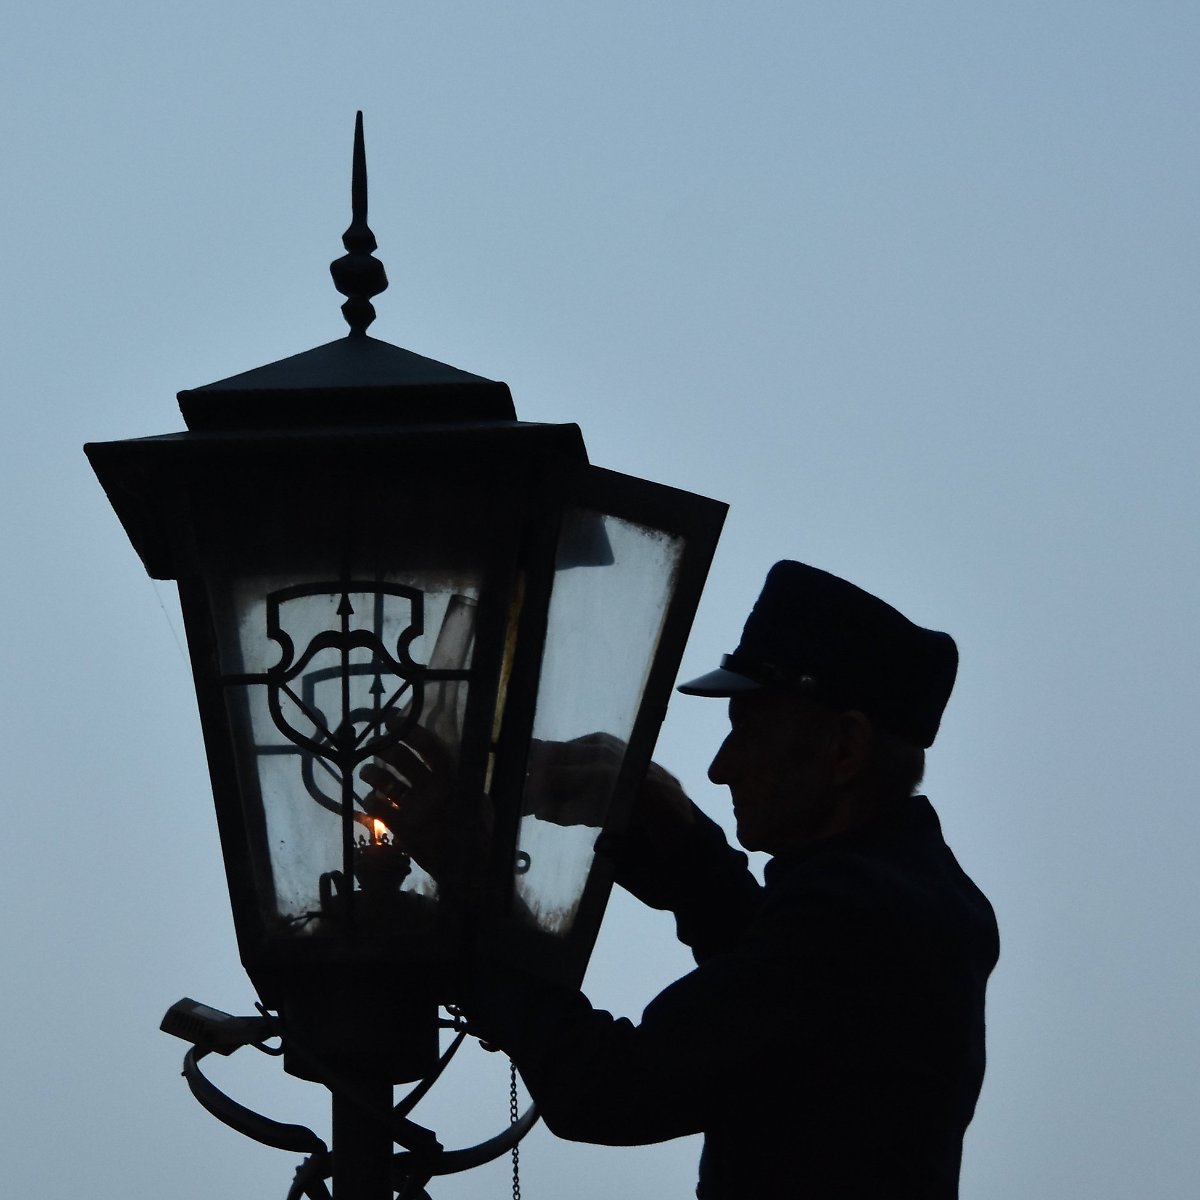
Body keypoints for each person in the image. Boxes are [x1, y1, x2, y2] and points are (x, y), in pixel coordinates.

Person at [456, 561, 1000, 1199]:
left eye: (747, 733)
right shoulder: (906, 900)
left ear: (845, 748)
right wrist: (675, 832)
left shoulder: (856, 918)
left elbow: (607, 1088)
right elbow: (773, 984)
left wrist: (475, 896)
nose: (719, 769)